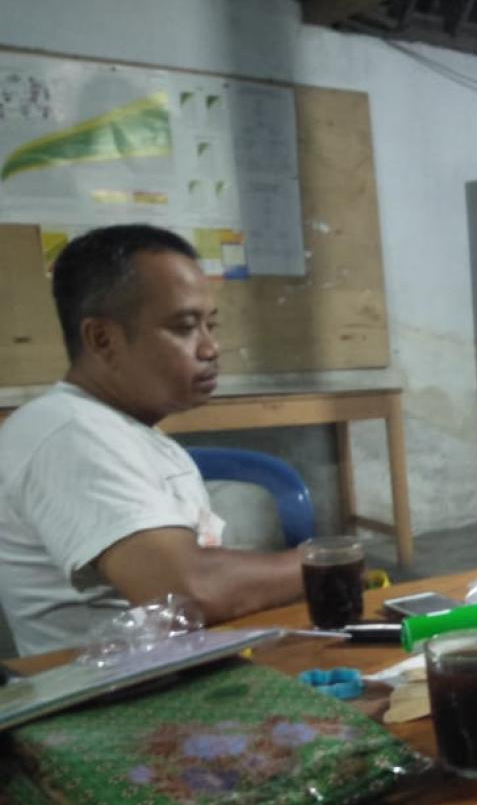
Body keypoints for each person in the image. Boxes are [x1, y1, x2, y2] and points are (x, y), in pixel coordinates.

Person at [0, 224, 304, 656]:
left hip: (171, 672)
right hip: (114, 694)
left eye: (210, 325)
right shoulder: (69, 433)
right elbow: (188, 592)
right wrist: (322, 561)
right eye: (185, 327)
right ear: (102, 339)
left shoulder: (122, 429)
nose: (210, 349)